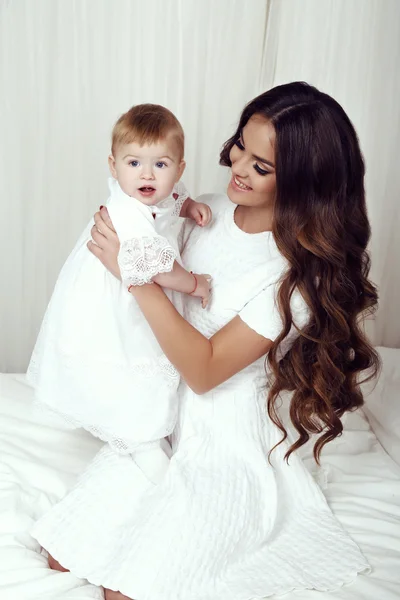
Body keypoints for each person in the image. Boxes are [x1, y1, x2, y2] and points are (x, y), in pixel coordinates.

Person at [31, 82, 380, 600]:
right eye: (241, 146)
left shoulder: (293, 276)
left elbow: (206, 369)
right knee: (64, 553)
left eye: (262, 167)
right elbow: (138, 225)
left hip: (225, 429)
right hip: (164, 409)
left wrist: (132, 273)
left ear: (306, 183)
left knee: (131, 590)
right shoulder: (205, 210)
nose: (238, 167)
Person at [27, 103, 212, 481]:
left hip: (129, 288)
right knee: (132, 359)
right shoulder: (127, 212)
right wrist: (194, 282)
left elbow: (173, 200)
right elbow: (158, 269)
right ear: (113, 167)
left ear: (179, 169)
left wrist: (189, 206)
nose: (147, 174)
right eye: (134, 164)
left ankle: (148, 429)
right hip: (114, 299)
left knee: (147, 357)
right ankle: (141, 440)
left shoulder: (161, 195)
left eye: (160, 165)